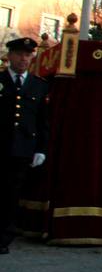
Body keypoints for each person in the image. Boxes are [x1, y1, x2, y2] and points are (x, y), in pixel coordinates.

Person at [1, 37, 49, 254]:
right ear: (9, 55)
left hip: (22, 148)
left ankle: (3, 238)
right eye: (19, 54)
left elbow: (43, 121)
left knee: (12, 193)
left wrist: (41, 149)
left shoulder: (39, 85)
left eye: (28, 55)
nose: (23, 59)